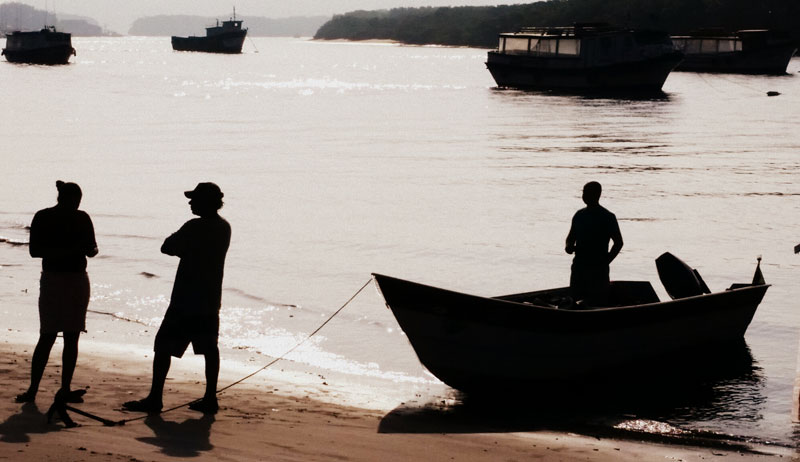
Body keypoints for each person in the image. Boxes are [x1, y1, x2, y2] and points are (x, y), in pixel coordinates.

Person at [123, 182, 231, 415]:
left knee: (163, 347)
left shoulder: (194, 226)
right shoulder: (224, 227)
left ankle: (155, 398)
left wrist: (185, 249)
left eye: (194, 199)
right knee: (209, 349)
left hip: (185, 299)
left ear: (205, 202)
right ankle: (210, 398)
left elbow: (166, 247)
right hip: (209, 299)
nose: (190, 203)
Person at [16, 181, 98, 404]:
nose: (77, 204)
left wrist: (87, 249)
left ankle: (50, 389)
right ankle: (44, 389)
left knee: (60, 336)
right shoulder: (65, 217)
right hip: (64, 279)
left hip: (64, 279)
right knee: (56, 336)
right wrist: (75, 250)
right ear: (66, 199)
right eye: (76, 200)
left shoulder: (50, 216)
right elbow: (35, 251)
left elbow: (92, 248)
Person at [565, 181, 623, 306]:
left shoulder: (608, 217)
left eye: (587, 193)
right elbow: (570, 237)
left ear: (597, 195)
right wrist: (568, 246)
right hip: (579, 266)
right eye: (584, 192)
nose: (584, 196)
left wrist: (606, 261)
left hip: (598, 269)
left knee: (597, 301)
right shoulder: (579, 215)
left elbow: (618, 243)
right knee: (574, 299)